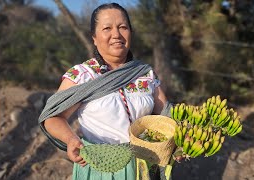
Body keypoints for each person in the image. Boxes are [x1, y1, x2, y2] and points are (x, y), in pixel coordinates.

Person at [38, 2, 172, 180]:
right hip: (102, 167)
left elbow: (164, 115)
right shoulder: (82, 75)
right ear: (94, 37)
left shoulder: (145, 73)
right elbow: (53, 117)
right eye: (107, 28)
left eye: (123, 27)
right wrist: (71, 139)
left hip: (144, 165)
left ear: (130, 32)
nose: (116, 34)